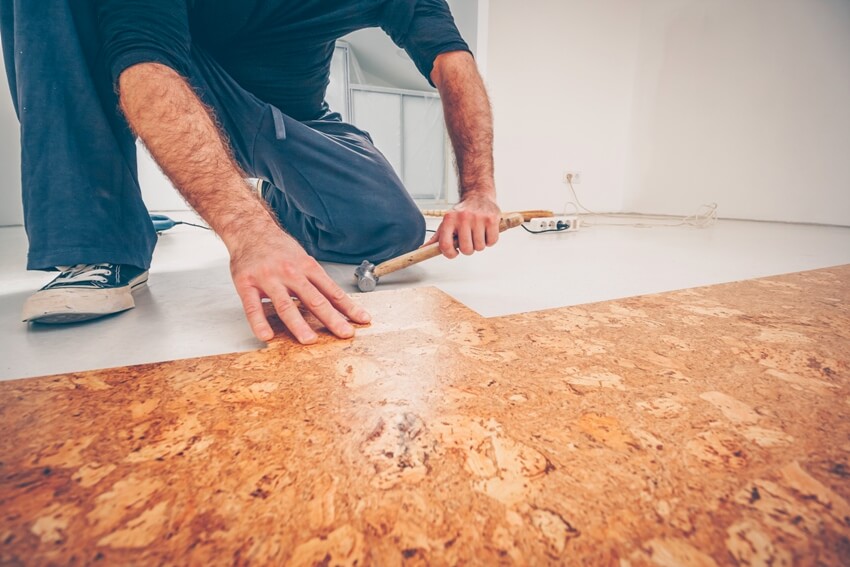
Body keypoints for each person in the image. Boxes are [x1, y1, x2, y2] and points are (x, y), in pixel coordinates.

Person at [1, 0, 501, 344]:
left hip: (291, 117)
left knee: (393, 226)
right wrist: (248, 232)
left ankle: (277, 202)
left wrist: (479, 191)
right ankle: (100, 244)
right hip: (186, 84)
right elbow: (144, 62)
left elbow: (452, 61)